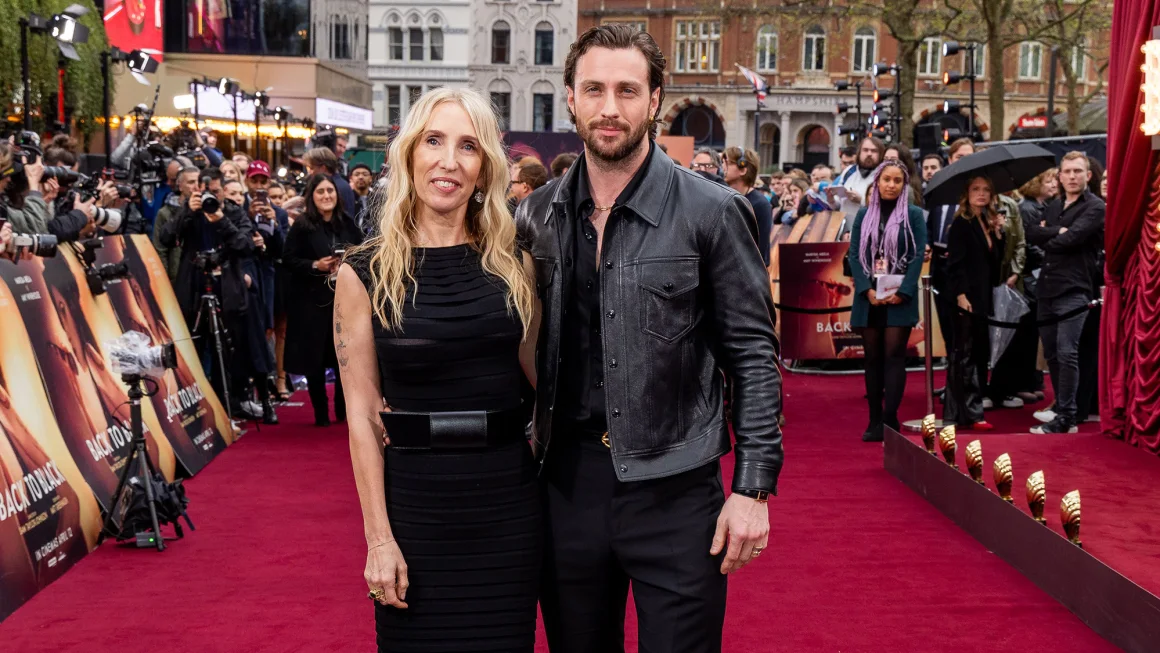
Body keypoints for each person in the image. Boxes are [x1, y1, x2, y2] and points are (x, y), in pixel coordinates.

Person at [517, 24, 782, 652]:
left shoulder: (711, 210)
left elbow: (753, 356)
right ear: (571, 98)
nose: (610, 108)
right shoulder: (534, 215)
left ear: (655, 99)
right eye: (595, 90)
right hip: (566, 486)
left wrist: (753, 487)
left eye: (628, 90)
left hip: (678, 487)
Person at [333, 88, 539, 651]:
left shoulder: (515, 264)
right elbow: (361, 416)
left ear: (484, 168)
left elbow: (545, 382)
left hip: (508, 509)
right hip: (415, 511)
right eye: (434, 141)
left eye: (468, 146)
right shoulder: (362, 272)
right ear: (408, 154)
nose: (449, 160)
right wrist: (379, 540)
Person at [847, 160, 927, 442]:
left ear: (904, 185)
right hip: (869, 297)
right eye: (886, 180)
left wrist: (903, 291)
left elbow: (918, 255)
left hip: (899, 297)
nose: (891, 185)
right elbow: (854, 254)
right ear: (877, 182)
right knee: (872, 358)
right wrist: (866, 290)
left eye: (897, 181)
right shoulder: (864, 213)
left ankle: (890, 418)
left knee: (894, 356)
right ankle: (874, 419)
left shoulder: (914, 215)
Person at [1025, 152, 1105, 434]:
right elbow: (1031, 233)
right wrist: (1057, 231)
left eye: (1078, 171)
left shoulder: (1095, 207)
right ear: (1059, 176)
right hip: (1047, 288)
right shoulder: (1054, 205)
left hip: (1075, 288)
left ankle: (1068, 417)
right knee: (1052, 354)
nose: (1072, 176)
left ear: (1088, 175)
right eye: (1067, 171)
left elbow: (1072, 239)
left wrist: (1051, 234)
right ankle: (1062, 409)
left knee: (1067, 351)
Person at [283, 174, 365, 426]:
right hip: (310, 302)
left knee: (344, 355)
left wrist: (346, 264)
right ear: (312, 196)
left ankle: (342, 406)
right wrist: (315, 265)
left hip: (344, 300)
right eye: (320, 191)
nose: (326, 195)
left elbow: (363, 254)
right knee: (314, 358)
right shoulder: (302, 226)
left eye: (330, 190)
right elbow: (288, 259)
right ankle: (320, 411)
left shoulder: (347, 223)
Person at [943, 175, 1006, 431]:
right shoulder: (962, 223)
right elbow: (955, 264)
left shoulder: (985, 222)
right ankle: (968, 411)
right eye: (976, 189)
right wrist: (961, 295)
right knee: (965, 354)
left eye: (986, 189)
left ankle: (966, 410)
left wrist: (998, 233)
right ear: (966, 194)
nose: (981, 194)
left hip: (982, 295)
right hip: (966, 296)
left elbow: (995, 263)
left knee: (976, 352)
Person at [723, 146, 773, 266]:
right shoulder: (724, 198)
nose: (723, 167)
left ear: (743, 169)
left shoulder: (760, 204)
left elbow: (760, 250)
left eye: (728, 163)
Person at [153, 166, 200, 282]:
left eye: (199, 182)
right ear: (180, 186)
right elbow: (160, 251)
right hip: (177, 276)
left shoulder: (208, 210)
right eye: (191, 182)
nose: (196, 186)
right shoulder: (165, 213)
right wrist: (164, 281)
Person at [838, 136, 885, 222]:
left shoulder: (884, 175)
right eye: (865, 150)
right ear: (859, 152)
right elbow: (838, 202)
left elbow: (885, 206)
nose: (869, 154)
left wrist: (861, 200)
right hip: (845, 224)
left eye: (874, 151)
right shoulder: (849, 171)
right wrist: (831, 200)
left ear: (881, 154)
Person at [304, 146, 358, 221]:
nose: (310, 172)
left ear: (323, 168)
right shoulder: (341, 184)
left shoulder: (335, 187)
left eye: (311, 168)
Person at [349, 163, 375, 232]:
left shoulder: (377, 199)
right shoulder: (346, 199)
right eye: (357, 174)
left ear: (371, 178)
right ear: (351, 179)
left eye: (365, 174)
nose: (360, 177)